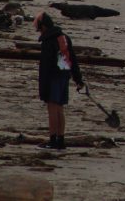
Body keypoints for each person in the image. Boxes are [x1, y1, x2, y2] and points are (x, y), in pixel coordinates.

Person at [35, 12, 84, 149]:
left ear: (43, 26)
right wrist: (78, 78)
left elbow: (45, 66)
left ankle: (53, 140)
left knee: (52, 108)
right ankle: (60, 140)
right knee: (60, 108)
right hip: (64, 75)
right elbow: (72, 59)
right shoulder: (64, 37)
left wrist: (43, 87)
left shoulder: (48, 41)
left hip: (53, 77)